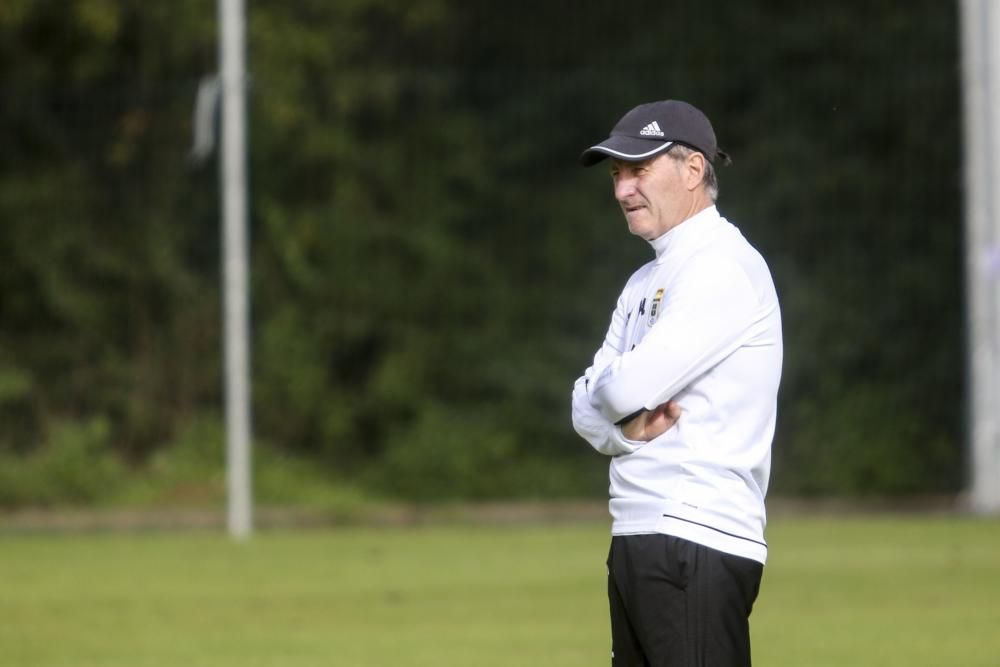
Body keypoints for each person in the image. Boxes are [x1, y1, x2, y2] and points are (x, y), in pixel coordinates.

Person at [571, 99, 783, 666]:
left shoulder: (721, 265)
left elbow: (612, 391)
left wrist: (612, 392)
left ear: (693, 171)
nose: (622, 189)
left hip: (697, 535)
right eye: (617, 174)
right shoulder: (645, 278)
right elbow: (585, 408)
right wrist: (627, 435)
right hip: (640, 535)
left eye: (639, 170)